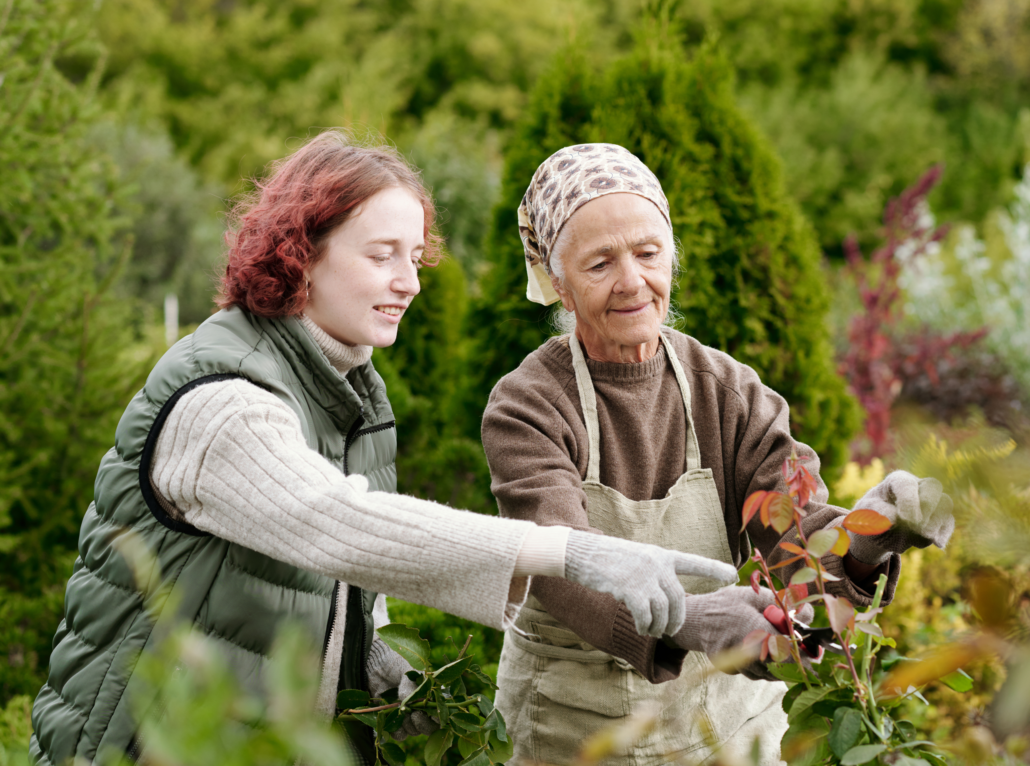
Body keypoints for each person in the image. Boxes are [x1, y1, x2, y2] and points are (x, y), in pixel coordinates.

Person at [27, 133, 739, 766]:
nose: (410, 282)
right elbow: (337, 526)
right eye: (381, 256)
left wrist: (391, 680)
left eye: (415, 257)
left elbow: (326, 596)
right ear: (300, 255)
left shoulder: (346, 395)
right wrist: (570, 552)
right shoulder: (223, 400)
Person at [481, 143, 956, 765]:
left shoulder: (727, 391)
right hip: (571, 728)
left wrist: (868, 539)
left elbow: (793, 537)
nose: (633, 281)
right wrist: (684, 620)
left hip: (719, 730)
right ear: (559, 284)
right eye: (600, 263)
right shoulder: (529, 406)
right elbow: (559, 563)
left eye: (648, 253)